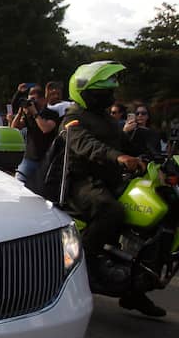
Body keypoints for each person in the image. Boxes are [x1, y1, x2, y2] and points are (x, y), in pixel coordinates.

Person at [62, 61, 165, 317]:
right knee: (111, 211)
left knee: (145, 218)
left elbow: (122, 144)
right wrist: (118, 158)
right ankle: (83, 265)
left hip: (111, 180)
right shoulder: (73, 118)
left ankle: (133, 288)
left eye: (110, 91)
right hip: (81, 183)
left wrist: (149, 156)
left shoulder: (106, 118)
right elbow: (87, 146)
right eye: (102, 92)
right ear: (86, 93)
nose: (109, 96)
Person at [11, 84, 60, 183]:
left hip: (45, 159)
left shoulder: (52, 114)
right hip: (28, 158)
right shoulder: (29, 115)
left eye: (34, 100)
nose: (31, 103)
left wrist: (35, 113)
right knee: (18, 185)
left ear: (43, 100)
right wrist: (20, 112)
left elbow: (45, 128)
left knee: (41, 189)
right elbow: (15, 127)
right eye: (30, 100)